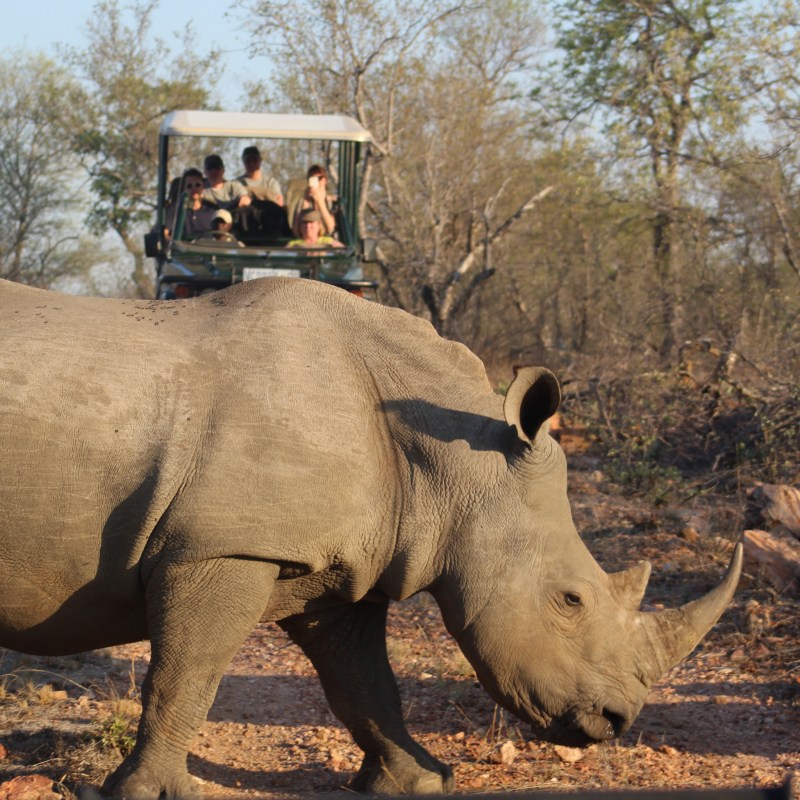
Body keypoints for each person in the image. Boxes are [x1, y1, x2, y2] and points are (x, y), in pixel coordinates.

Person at [162, 168, 217, 240]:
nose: (194, 188)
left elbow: (221, 237)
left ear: (203, 187)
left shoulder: (213, 210)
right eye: (189, 186)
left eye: (197, 185)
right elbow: (164, 234)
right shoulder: (175, 209)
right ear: (184, 189)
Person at [291, 164, 336, 236]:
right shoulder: (303, 202)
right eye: (311, 179)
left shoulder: (332, 202)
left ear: (325, 180)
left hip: (328, 243)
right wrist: (304, 204)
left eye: (318, 179)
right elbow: (296, 231)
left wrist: (320, 202)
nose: (315, 182)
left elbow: (331, 228)